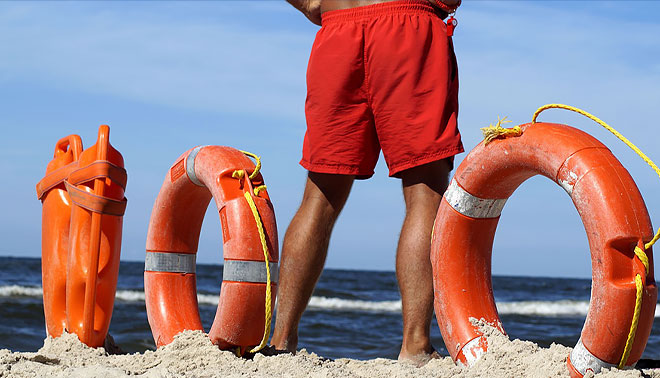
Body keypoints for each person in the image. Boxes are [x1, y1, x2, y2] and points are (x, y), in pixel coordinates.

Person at [271, 0, 463, 366]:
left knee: (319, 195)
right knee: (425, 192)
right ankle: (416, 345)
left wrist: (313, 4)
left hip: (338, 27)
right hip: (409, 25)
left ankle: (282, 343)